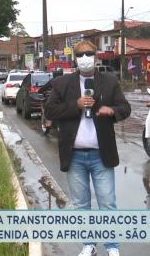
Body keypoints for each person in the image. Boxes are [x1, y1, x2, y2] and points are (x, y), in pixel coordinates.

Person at [44, 40, 131, 256]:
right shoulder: (62, 84)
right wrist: (76, 105)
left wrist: (111, 111)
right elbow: (50, 111)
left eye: (89, 54)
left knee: (107, 203)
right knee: (81, 204)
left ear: (96, 56)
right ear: (75, 58)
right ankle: (88, 244)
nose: (85, 58)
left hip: (101, 154)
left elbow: (125, 108)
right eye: (80, 54)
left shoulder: (110, 82)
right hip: (74, 156)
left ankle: (112, 246)